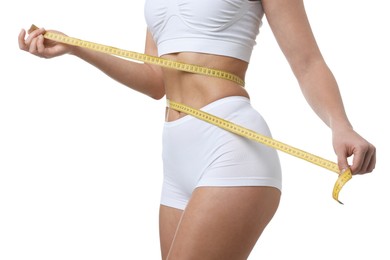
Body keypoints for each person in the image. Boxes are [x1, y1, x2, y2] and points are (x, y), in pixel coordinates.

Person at [18, 0, 376, 259]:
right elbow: (156, 79)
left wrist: (340, 125)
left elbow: (307, 62)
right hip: (175, 154)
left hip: (230, 145)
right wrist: (76, 47)